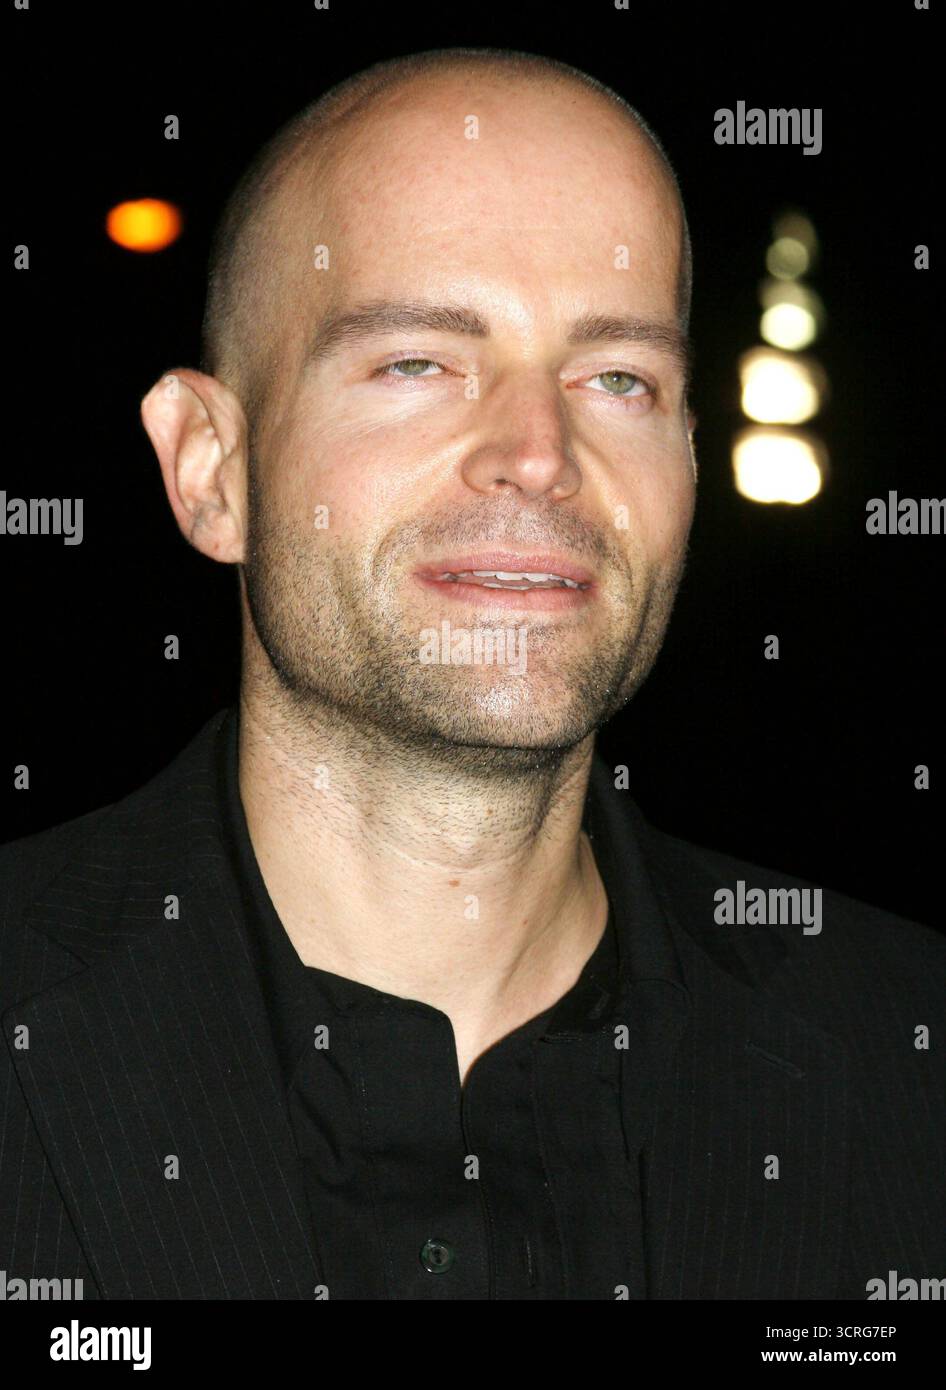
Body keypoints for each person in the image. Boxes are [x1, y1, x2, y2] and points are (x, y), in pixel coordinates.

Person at [1, 47, 942, 1302]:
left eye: (618, 378)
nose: (539, 453)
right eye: (417, 363)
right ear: (211, 469)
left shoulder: (908, 1061)